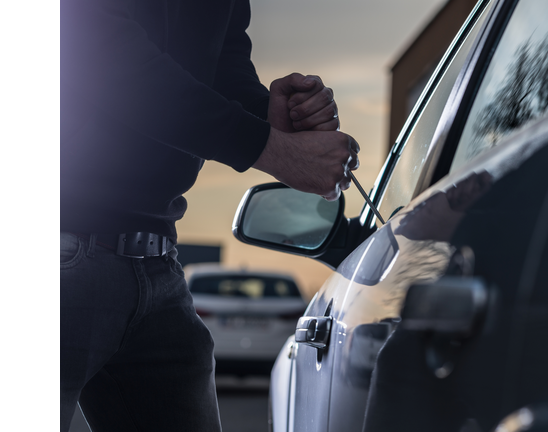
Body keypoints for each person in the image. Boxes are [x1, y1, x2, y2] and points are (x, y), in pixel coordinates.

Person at [60, 0, 359, 430]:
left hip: (157, 264)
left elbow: (221, 68)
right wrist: (272, 150)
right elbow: (102, 54)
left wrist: (275, 120)